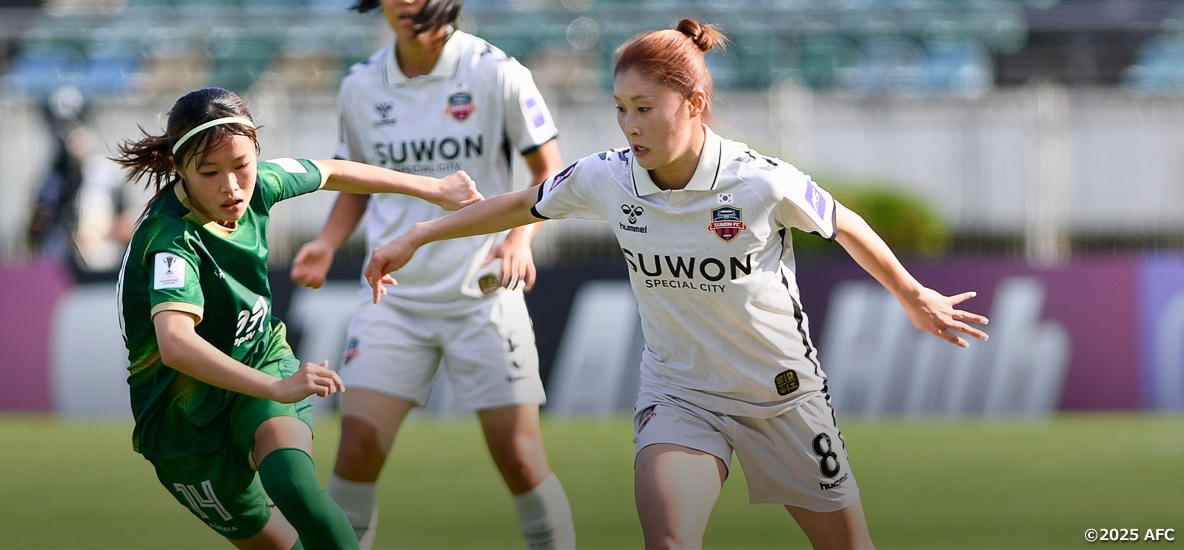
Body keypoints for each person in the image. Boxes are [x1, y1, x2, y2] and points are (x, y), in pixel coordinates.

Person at [363, 19, 992, 549]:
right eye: (620, 109)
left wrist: (913, 294)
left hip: (782, 395)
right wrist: (419, 234)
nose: (629, 125)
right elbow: (523, 204)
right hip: (681, 394)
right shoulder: (608, 177)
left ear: (693, 103)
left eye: (644, 108)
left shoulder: (758, 181)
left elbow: (844, 222)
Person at [112, 87, 481, 550]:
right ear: (178, 167)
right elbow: (176, 345)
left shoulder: (261, 183)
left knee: (296, 489)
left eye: (242, 165)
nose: (232, 186)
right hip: (182, 424)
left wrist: (434, 189)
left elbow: (332, 171)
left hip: (259, 358)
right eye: (209, 172)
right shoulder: (169, 240)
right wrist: (277, 388)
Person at [288, 0, 575, 547]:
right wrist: (325, 243)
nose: (405, 3)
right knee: (356, 450)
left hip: (483, 294)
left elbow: (550, 171)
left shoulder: (498, 72)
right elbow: (356, 182)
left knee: (520, 458)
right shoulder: (360, 83)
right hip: (393, 299)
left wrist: (519, 238)